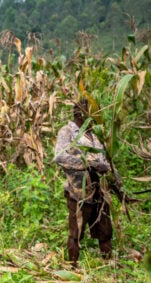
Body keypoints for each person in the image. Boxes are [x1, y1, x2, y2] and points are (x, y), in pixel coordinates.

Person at [53, 98, 113, 264]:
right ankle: (72, 268)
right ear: (80, 112)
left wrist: (106, 169)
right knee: (76, 233)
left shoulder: (94, 134)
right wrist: (88, 165)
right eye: (92, 111)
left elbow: (104, 160)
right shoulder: (67, 132)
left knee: (105, 231)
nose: (95, 115)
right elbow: (59, 157)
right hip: (78, 191)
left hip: (99, 191)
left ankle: (109, 268)